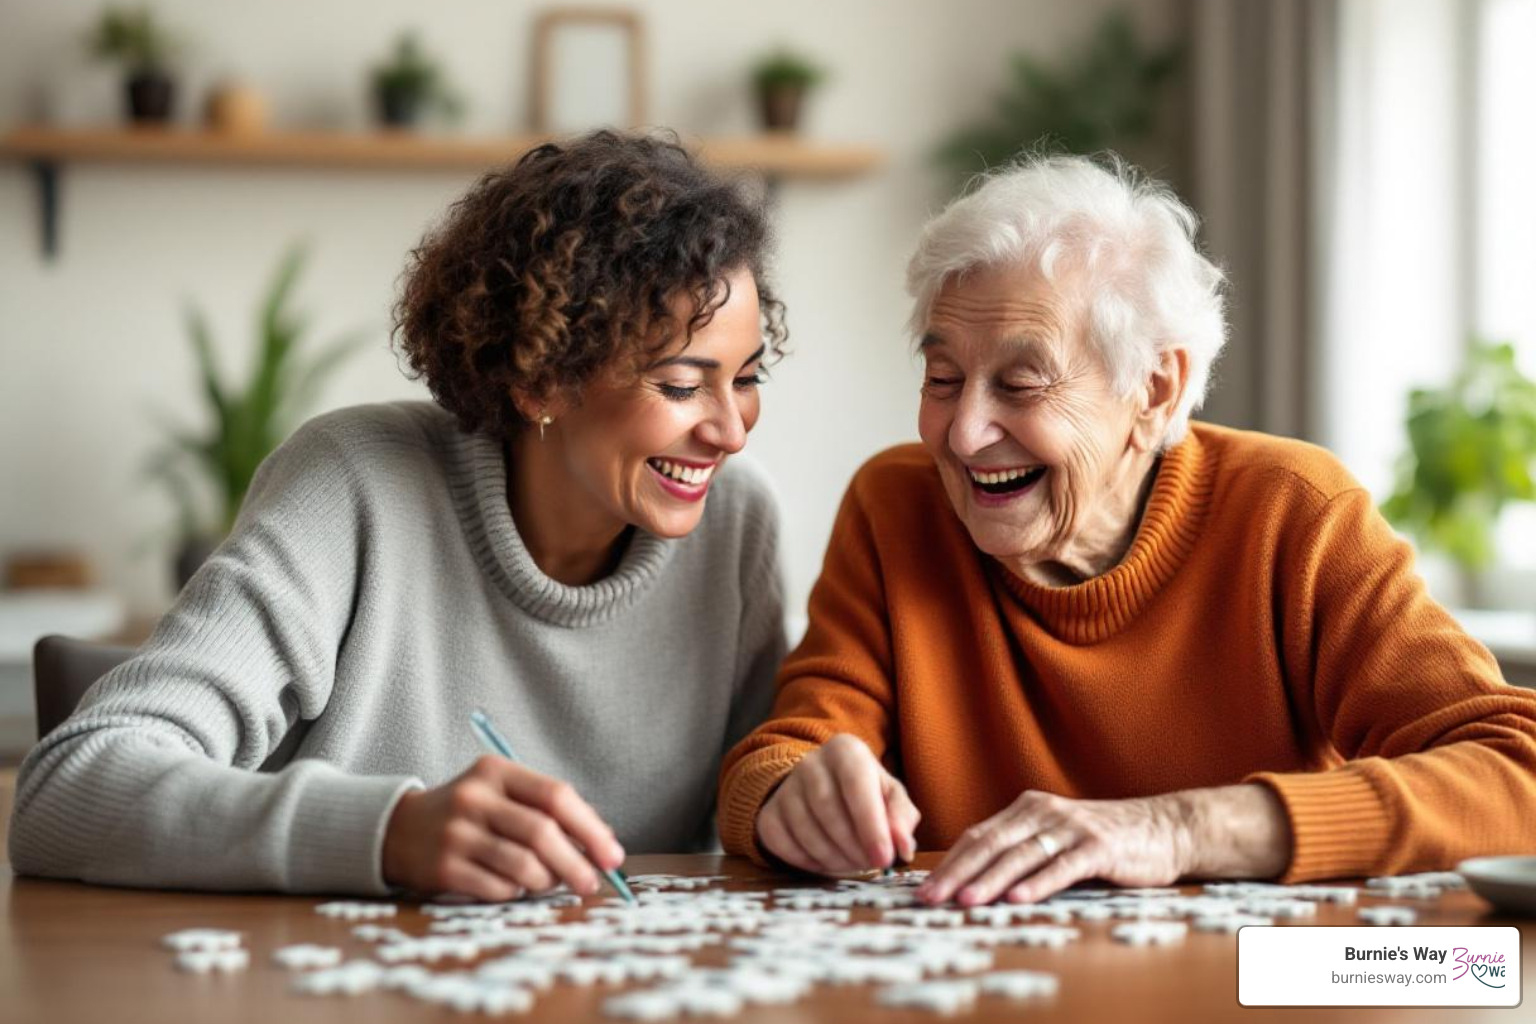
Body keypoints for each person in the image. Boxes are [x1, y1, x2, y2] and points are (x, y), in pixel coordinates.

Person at [718, 153, 1536, 906]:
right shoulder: (897, 507)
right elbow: (784, 753)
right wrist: (794, 797)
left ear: (1153, 387)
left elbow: (1516, 776)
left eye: (1021, 382)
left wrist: (1180, 829)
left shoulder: (1293, 514)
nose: (963, 434)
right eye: (944, 378)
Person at [11, 131, 789, 899]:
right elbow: (69, 789)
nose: (730, 430)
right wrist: (388, 833)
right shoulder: (353, 484)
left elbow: (760, 804)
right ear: (541, 380)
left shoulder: (737, 523)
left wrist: (804, 795)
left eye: (746, 378)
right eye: (683, 386)